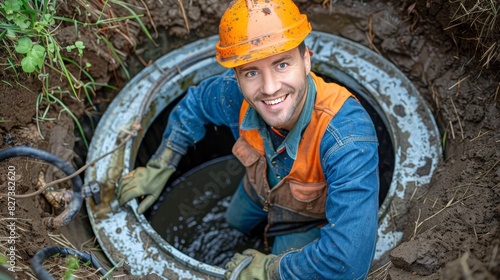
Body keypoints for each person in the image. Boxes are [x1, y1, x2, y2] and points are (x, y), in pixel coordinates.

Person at [117, 0, 380, 278]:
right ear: (237, 77)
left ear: (306, 60)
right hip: (257, 192)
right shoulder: (233, 94)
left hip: (306, 221)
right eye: (251, 72)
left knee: (283, 252)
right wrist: (161, 165)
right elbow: (194, 105)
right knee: (233, 221)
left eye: (281, 64)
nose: (269, 88)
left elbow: (348, 261)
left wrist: (271, 269)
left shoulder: (346, 137)